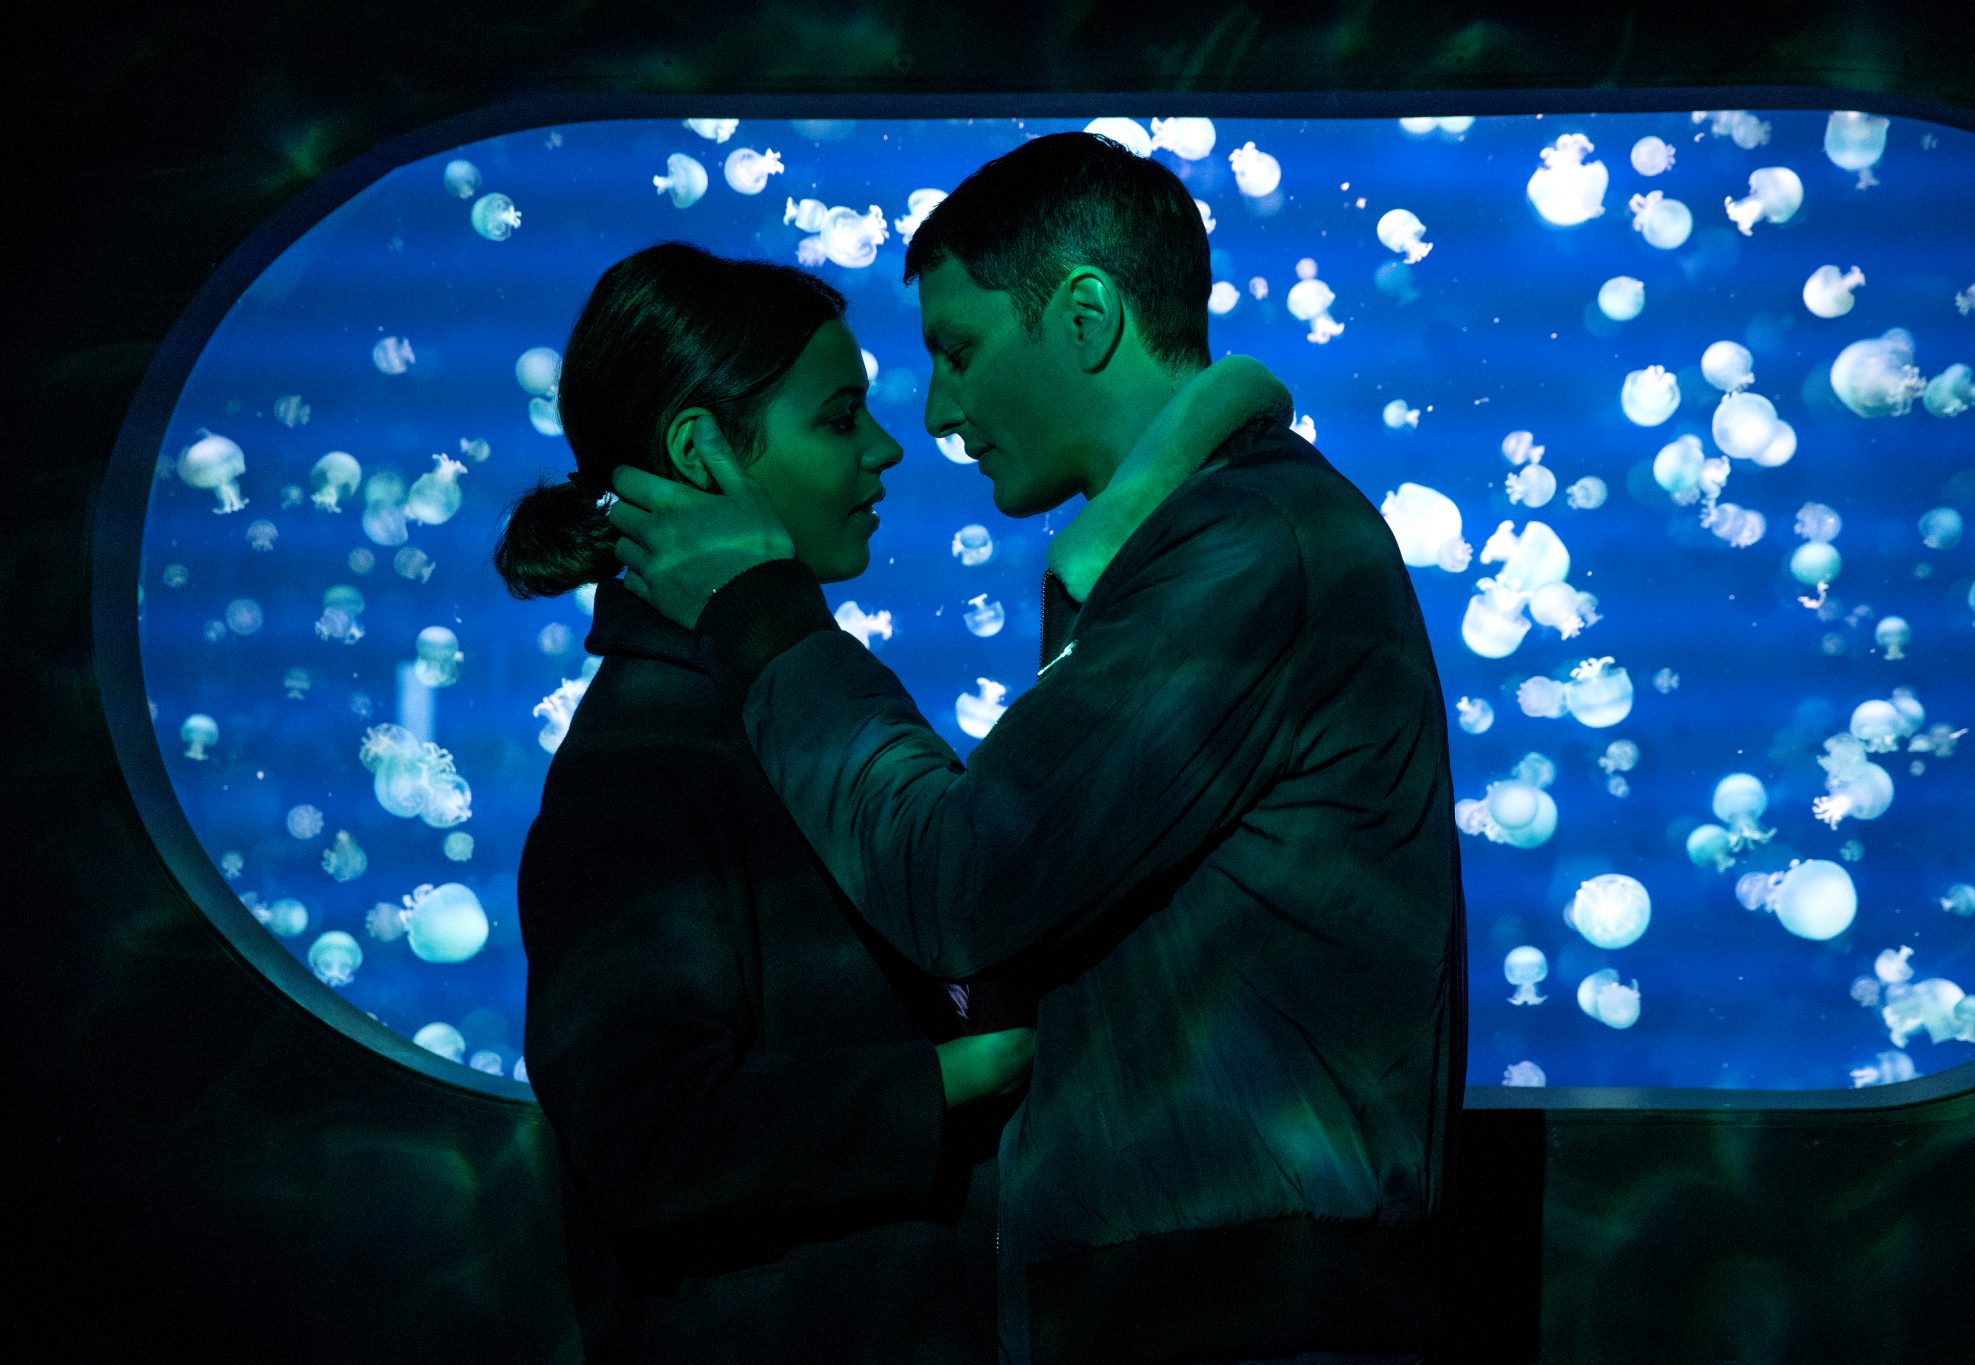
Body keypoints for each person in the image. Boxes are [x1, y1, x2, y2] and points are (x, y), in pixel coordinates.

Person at [607, 131, 1468, 1365]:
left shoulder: (1242, 548)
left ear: (1083, 317)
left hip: (1237, 1308)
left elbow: (969, 884)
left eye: (957, 351)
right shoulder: (1188, 549)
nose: (936, 413)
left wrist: (761, 614)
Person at [501, 239, 1294, 1364]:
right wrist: (957, 1076)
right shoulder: (642, 766)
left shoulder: (775, 713)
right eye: (838, 419)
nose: (886, 448)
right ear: (700, 453)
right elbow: (646, 1140)